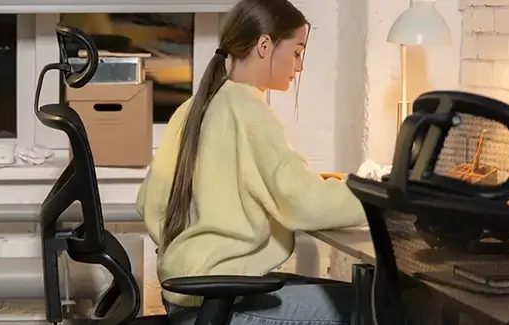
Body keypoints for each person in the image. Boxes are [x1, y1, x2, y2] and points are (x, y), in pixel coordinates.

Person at [135, 0, 368, 324]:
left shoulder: (193, 107)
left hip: (187, 294)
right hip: (220, 300)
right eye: (297, 51)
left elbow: (150, 202)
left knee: (347, 295)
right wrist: (374, 198)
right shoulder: (249, 111)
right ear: (264, 45)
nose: (298, 66)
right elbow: (304, 202)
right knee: (369, 305)